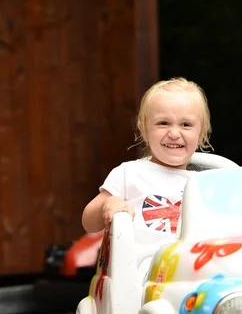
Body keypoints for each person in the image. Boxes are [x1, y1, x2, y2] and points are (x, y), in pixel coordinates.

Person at [81, 77, 211, 276]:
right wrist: (111, 203)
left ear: (201, 133)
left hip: (196, 274)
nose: (174, 133)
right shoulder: (130, 173)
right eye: (163, 123)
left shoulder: (207, 185)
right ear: (143, 129)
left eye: (185, 125)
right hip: (143, 278)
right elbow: (89, 223)